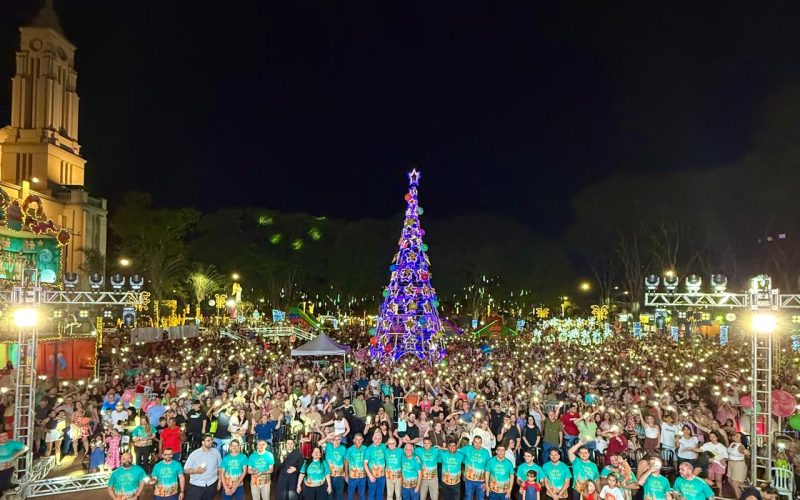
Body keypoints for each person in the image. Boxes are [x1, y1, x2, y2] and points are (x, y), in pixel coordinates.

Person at [184, 433, 222, 500]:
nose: (211, 442)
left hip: (211, 484)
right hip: (196, 485)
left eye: (211, 440)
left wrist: (219, 481)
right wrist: (196, 471)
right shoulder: (194, 454)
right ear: (203, 442)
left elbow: (220, 468)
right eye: (208, 440)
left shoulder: (216, 453)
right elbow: (186, 470)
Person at [461, 436, 491, 500]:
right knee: (468, 498)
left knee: (481, 498)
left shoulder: (486, 452)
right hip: (469, 480)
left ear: (481, 443)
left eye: (479, 442)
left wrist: (487, 482)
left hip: (481, 481)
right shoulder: (467, 448)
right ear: (473, 442)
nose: (477, 444)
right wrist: (442, 448)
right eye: (476, 442)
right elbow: (455, 450)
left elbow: (488, 469)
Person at [321, 433, 347, 500]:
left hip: (340, 476)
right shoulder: (328, 446)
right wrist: (327, 437)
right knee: (329, 494)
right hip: (329, 476)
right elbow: (318, 443)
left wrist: (345, 473)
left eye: (339, 440)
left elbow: (345, 461)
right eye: (335, 440)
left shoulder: (343, 448)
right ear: (332, 440)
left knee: (339, 495)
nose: (337, 441)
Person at [365, 430, 387, 500]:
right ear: (372, 439)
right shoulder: (369, 449)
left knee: (380, 494)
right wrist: (370, 476)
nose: (378, 440)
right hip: (372, 476)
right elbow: (365, 464)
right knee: (372, 494)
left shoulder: (384, 446)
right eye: (376, 438)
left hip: (382, 476)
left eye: (379, 438)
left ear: (381, 439)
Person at [415, 436, 440, 500]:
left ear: (431, 443)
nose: (426, 445)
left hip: (433, 479)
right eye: (425, 443)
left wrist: (442, 447)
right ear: (423, 444)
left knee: (435, 497)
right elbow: (408, 452)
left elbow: (450, 451)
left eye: (428, 443)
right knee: (422, 497)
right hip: (422, 479)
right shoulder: (418, 450)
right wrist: (415, 458)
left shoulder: (436, 450)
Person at [726, 432, 749, 499]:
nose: (735, 437)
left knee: (735, 484)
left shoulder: (741, 446)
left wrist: (746, 452)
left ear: (741, 439)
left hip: (738, 465)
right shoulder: (732, 444)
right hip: (731, 463)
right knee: (730, 480)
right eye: (735, 435)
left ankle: (739, 498)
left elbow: (745, 451)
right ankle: (739, 495)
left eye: (737, 436)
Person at [345, 433, 367, 500]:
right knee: (350, 494)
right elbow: (346, 463)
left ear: (362, 440)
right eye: (357, 439)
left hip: (363, 477)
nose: (359, 441)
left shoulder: (366, 449)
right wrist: (346, 475)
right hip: (352, 477)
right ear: (354, 440)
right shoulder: (350, 450)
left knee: (362, 494)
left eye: (360, 439)